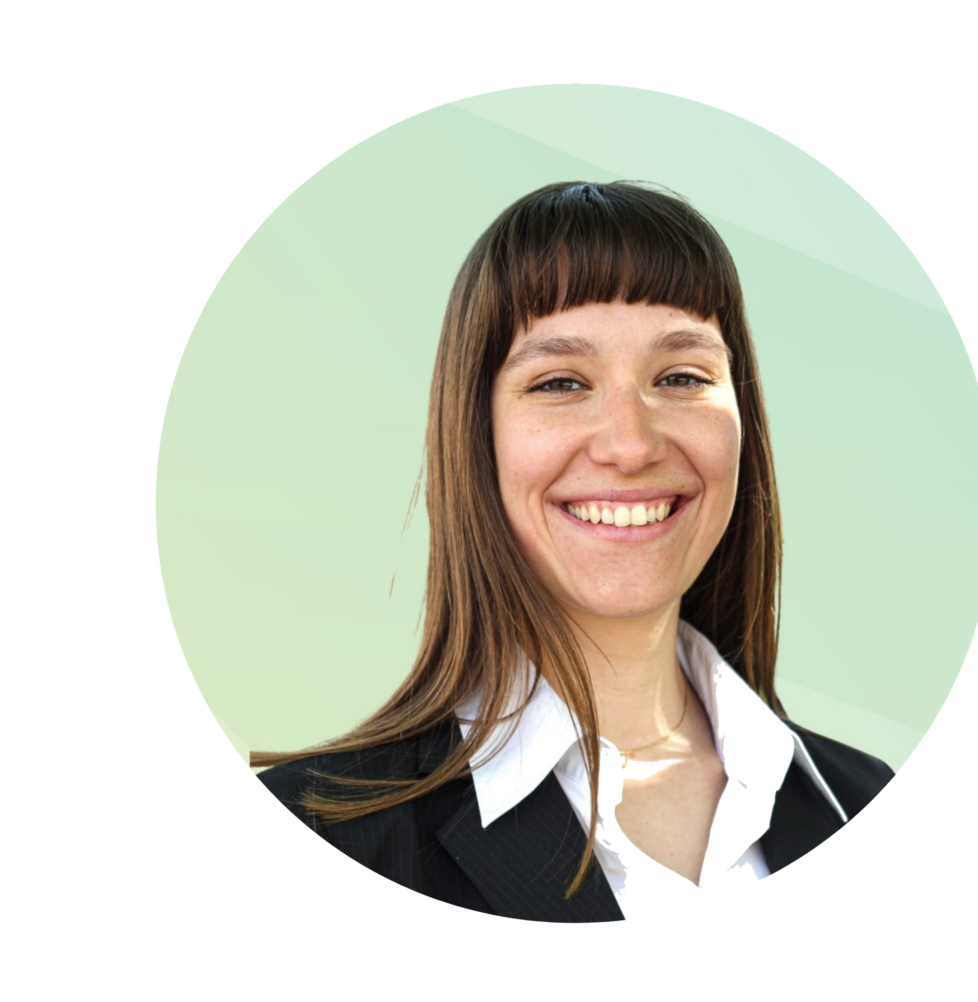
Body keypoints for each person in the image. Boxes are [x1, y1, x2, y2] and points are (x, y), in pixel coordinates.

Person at [252, 181, 894, 921]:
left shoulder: (862, 796)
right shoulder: (324, 830)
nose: (631, 444)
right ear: (476, 435)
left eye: (681, 377)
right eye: (560, 382)